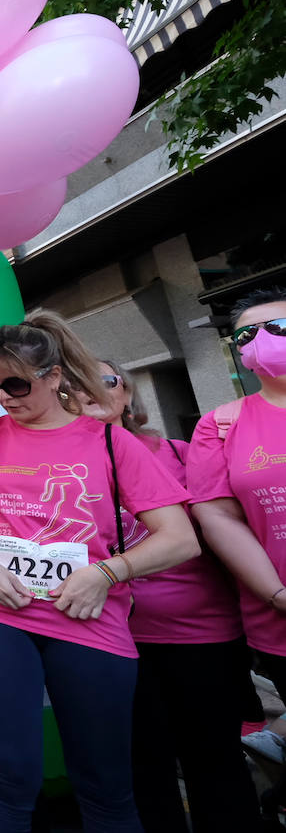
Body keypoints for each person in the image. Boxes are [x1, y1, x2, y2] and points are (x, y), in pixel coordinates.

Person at [0, 311, 199, 833]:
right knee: (7, 776)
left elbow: (180, 538)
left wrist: (106, 574)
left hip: (87, 616)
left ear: (54, 377)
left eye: (16, 383)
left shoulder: (108, 441)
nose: (4, 397)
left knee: (104, 785)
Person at [79, 360, 257, 831]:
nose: (93, 389)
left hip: (203, 636)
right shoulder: (58, 467)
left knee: (216, 765)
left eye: (107, 379)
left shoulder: (178, 453)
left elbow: (229, 528)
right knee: (143, 768)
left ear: (128, 395)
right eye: (78, 381)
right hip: (112, 641)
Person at [189, 289, 286, 748]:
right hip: (279, 619)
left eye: (278, 328)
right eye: (248, 333)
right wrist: (278, 594)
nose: (263, 340)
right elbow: (218, 517)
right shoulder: (219, 424)